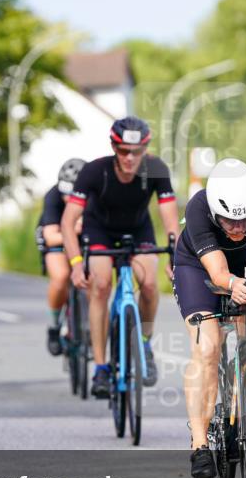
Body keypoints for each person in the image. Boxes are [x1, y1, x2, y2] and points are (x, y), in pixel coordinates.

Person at [171, 159, 246, 478]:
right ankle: (200, 444)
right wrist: (234, 286)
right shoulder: (199, 208)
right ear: (216, 211)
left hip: (241, 267)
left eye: (245, 219)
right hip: (198, 267)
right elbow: (218, 274)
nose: (237, 227)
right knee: (209, 346)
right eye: (229, 220)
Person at [61, 117, 179, 398]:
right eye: (123, 151)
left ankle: (145, 343)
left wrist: (175, 255)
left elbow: (170, 219)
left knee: (149, 284)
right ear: (114, 148)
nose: (130, 157)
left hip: (138, 230)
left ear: (145, 149)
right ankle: (101, 368)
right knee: (100, 286)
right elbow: (68, 223)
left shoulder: (156, 169)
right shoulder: (94, 171)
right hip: (99, 229)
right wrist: (76, 264)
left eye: (136, 151)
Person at [37, 158, 85, 356]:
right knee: (61, 276)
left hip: (84, 239)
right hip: (56, 239)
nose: (67, 199)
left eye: (72, 194)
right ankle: (54, 325)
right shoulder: (53, 196)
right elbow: (51, 236)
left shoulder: (96, 195)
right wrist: (74, 229)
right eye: (64, 193)